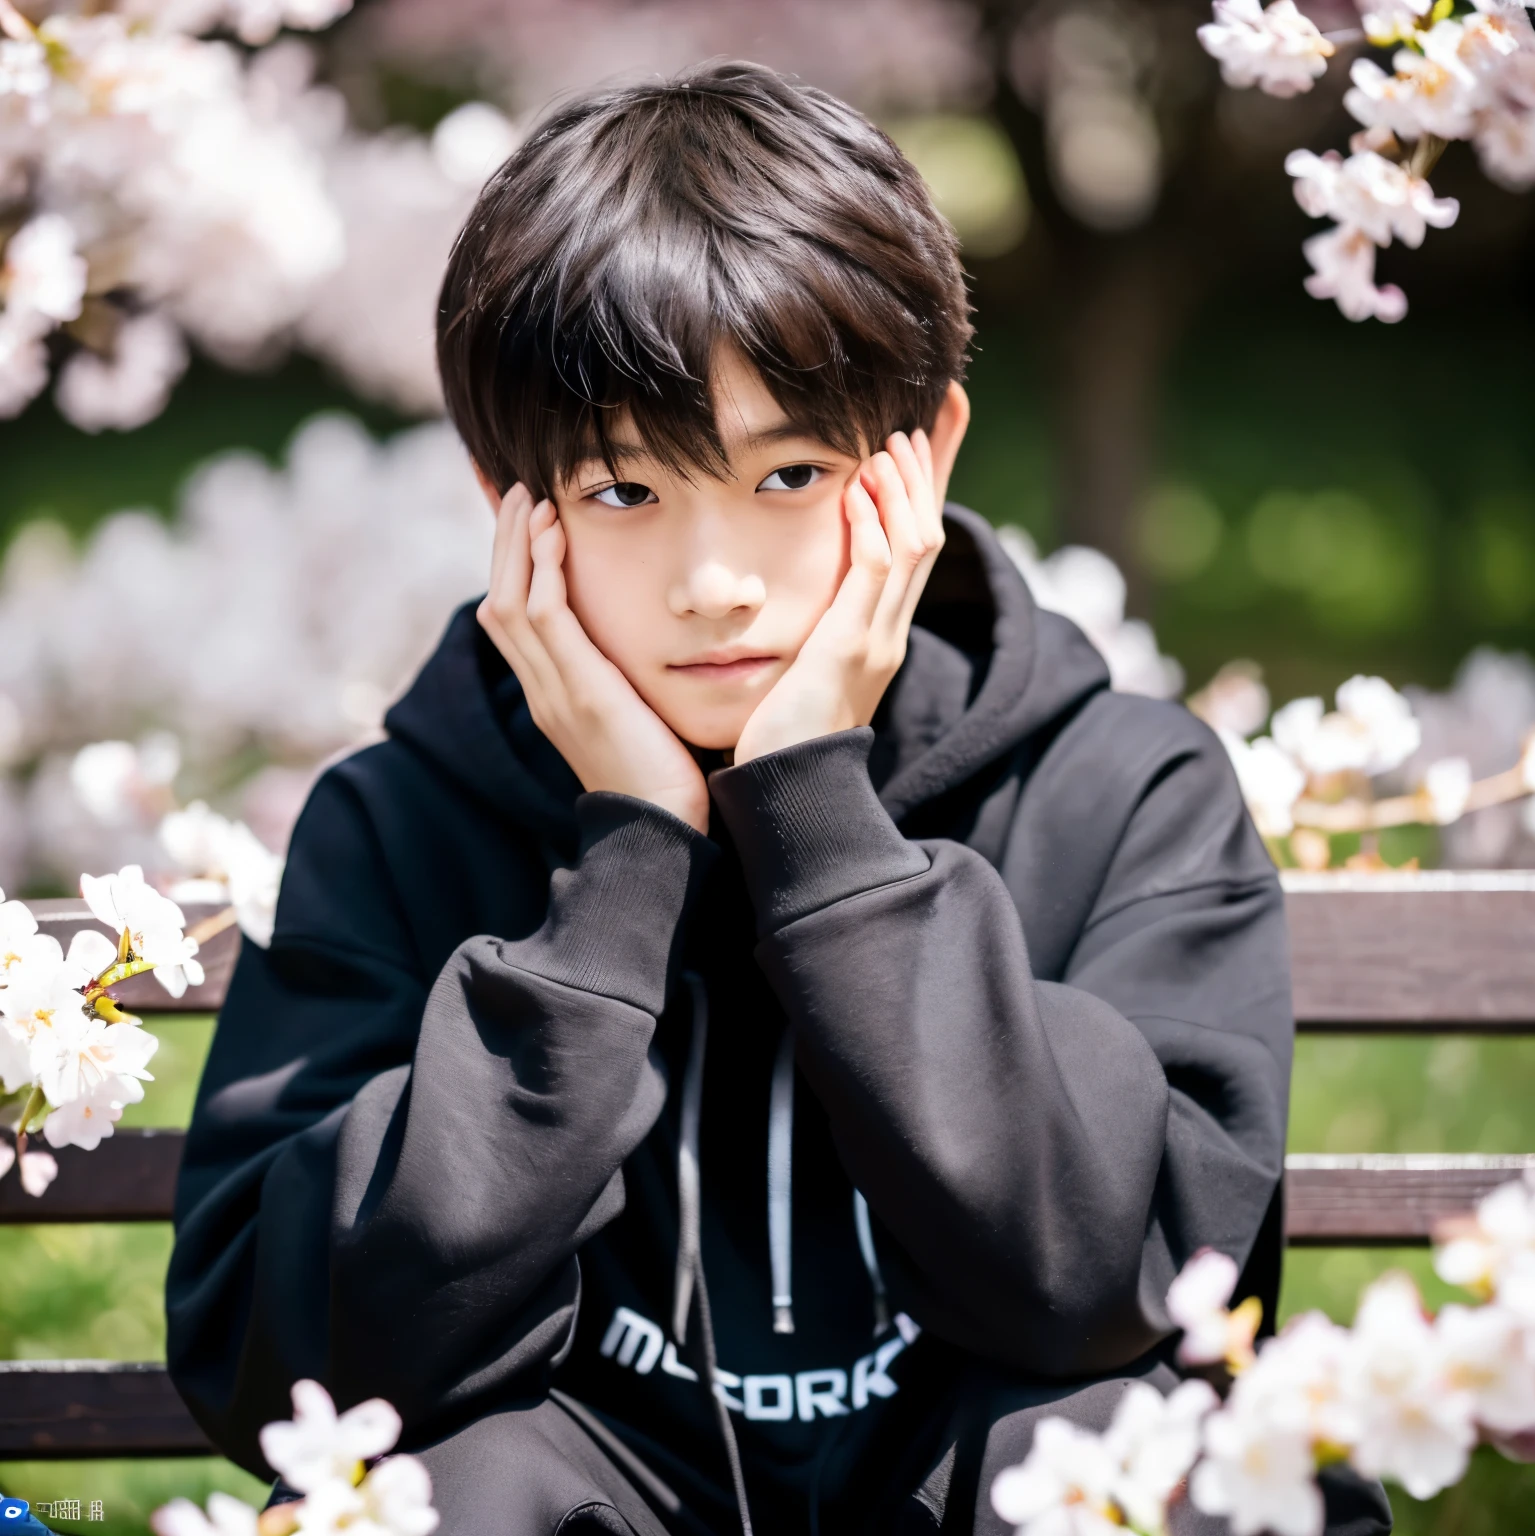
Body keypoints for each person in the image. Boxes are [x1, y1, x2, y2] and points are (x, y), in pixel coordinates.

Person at [165, 60, 1388, 1536]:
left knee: (1128, 1467)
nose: (714, 583)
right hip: (595, 1496)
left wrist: (815, 820)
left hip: (980, 1488)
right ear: (511, 503)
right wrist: (621, 872)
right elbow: (281, 1373)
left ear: (924, 456)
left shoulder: (1122, 791)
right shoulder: (406, 825)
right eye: (626, 492)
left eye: (791, 473)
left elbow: (1121, 1293)